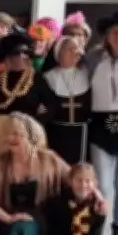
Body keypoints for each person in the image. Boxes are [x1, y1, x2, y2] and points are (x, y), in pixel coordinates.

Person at [84, 10, 118, 235]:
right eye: (115, 32)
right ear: (107, 35)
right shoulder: (94, 58)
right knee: (102, 184)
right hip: (100, 124)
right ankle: (96, 230)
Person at [0, 32, 54, 152]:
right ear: (7, 56)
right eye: (17, 53)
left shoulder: (37, 79)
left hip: (27, 140)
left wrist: (34, 125)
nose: (23, 56)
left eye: (26, 53)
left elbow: (52, 106)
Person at [42, 35, 90, 164]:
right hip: (56, 132)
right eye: (70, 49)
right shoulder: (48, 77)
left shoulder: (87, 75)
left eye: (77, 48)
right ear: (59, 53)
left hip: (82, 133)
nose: (75, 52)